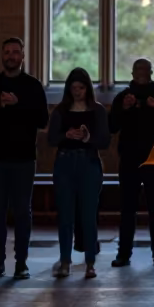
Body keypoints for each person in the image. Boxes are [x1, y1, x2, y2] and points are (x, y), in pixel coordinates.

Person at [0, 37, 49, 280]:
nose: (11, 56)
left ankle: (21, 263)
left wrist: (18, 104)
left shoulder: (33, 86)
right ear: (2, 56)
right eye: (7, 52)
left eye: (16, 52)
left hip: (23, 159)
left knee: (22, 211)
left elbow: (43, 120)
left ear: (22, 56)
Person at [47, 67, 109, 279]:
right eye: (73, 88)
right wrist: (67, 135)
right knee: (65, 215)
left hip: (88, 162)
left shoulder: (97, 110)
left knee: (88, 215)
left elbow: (105, 141)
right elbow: (51, 139)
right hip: (64, 163)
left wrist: (87, 138)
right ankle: (65, 261)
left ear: (87, 88)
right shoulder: (61, 110)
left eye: (81, 88)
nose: (77, 92)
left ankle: (90, 263)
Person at [109, 59, 154, 267]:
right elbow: (112, 126)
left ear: (151, 72)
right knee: (127, 208)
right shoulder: (122, 97)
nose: (142, 73)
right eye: (138, 69)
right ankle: (123, 254)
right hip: (129, 159)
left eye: (145, 69)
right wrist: (124, 109)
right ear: (132, 73)